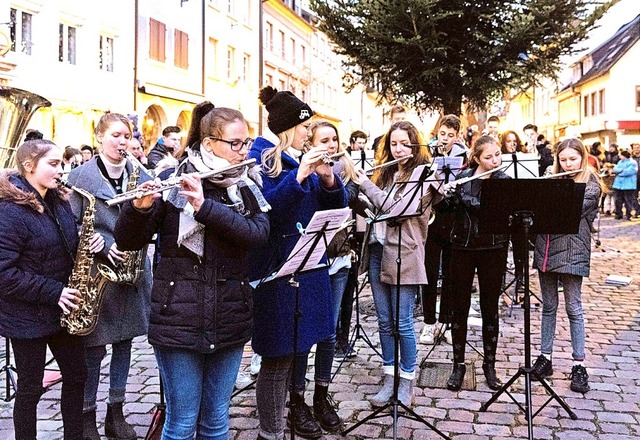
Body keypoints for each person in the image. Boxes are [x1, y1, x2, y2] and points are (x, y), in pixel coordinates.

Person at [114, 102, 270, 439]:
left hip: (230, 315)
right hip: (177, 317)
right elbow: (129, 241)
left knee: (216, 421)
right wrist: (138, 210)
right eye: (235, 143)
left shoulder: (245, 184)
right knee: (182, 422)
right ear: (211, 142)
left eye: (245, 142)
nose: (243, 150)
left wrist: (204, 206)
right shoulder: (171, 179)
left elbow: (256, 234)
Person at [249, 86, 347, 440]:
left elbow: (335, 205)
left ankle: (299, 408)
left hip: (308, 266)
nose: (310, 134)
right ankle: (270, 431)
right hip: (276, 272)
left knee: (300, 348)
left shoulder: (296, 157)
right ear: (289, 127)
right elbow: (264, 212)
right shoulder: (259, 158)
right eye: (305, 128)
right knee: (276, 359)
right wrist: (300, 175)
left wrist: (328, 178)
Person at [0, 139, 104, 440]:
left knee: (77, 374)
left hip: (62, 308)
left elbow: (64, 245)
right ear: (29, 166)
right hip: (26, 313)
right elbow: (4, 273)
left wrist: (92, 244)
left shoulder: (58, 201)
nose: (63, 170)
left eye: (63, 163)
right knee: (31, 387)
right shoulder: (9, 211)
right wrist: (53, 292)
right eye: (54, 164)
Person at [67, 113, 153, 440]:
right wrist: (96, 241)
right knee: (93, 347)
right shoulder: (78, 177)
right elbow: (69, 222)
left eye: (127, 136)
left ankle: (116, 413)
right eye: (115, 135)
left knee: (124, 343)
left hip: (130, 272)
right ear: (100, 137)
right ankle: (87, 415)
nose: (122, 142)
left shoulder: (140, 174)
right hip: (97, 273)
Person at [358, 120, 440, 407]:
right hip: (379, 250)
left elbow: (398, 209)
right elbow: (376, 208)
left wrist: (365, 185)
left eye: (405, 143)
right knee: (384, 322)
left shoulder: (423, 173)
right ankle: (389, 377)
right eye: (393, 143)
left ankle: (407, 381)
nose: (398, 149)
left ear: (416, 144)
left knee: (402, 322)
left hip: (405, 253)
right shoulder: (386, 173)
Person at [532, 138, 603, 394]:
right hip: (547, 250)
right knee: (548, 306)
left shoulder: (591, 185)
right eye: (563, 160)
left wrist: (545, 199)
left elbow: (568, 210)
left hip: (573, 250)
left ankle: (579, 363)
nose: (568, 164)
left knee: (574, 307)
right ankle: (545, 357)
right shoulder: (552, 181)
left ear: (582, 158)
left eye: (573, 159)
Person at [444, 135, 510, 391]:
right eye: (488, 157)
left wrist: (465, 199)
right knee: (459, 306)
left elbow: (493, 210)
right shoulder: (463, 179)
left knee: (490, 307)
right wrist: (447, 196)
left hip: (493, 248)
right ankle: (458, 364)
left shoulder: (504, 182)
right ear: (476, 159)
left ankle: (489, 365)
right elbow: (446, 214)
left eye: (497, 155)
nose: (494, 161)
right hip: (463, 246)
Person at [419, 114, 469, 346]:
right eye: (442, 134)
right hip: (432, 219)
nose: (445, 139)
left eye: (450, 136)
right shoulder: (427, 153)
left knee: (451, 274)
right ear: (437, 133)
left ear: (457, 136)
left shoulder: (464, 156)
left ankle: (446, 322)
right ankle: (429, 323)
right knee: (428, 273)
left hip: (453, 219)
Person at [612, 149, 638, 220]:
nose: (619, 156)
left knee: (628, 201)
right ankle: (618, 214)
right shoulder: (620, 162)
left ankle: (629, 214)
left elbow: (630, 172)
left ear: (624, 156)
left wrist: (620, 173)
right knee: (617, 200)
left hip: (628, 185)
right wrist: (621, 170)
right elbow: (615, 169)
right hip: (618, 185)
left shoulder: (632, 162)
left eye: (621, 155)